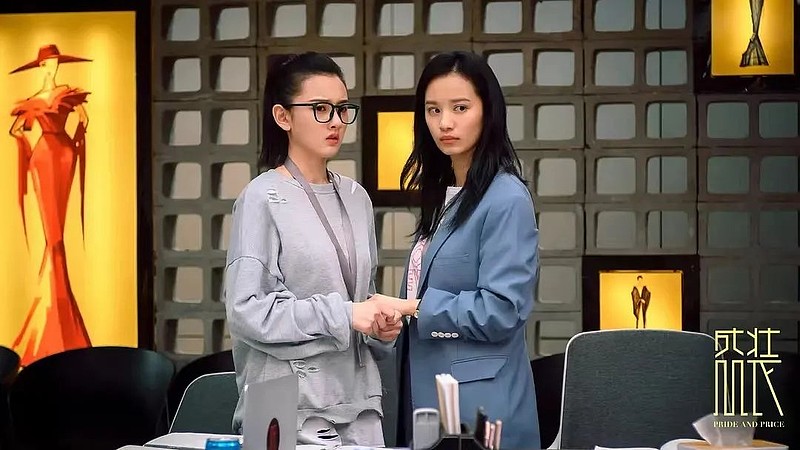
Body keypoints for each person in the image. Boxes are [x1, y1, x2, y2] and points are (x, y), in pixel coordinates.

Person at [224, 52, 404, 446]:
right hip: (286, 405)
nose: (336, 121)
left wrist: (379, 327)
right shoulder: (261, 198)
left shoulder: (356, 198)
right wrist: (347, 314)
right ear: (283, 117)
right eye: (320, 108)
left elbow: (360, 297)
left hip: (358, 402)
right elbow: (246, 310)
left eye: (342, 108)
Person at [369, 51, 542, 449]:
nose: (444, 122)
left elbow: (502, 310)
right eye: (433, 110)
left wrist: (413, 308)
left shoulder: (506, 198)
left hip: (479, 410)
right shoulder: (446, 195)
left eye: (460, 108)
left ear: (488, 112)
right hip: (426, 396)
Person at [9, 44, 92, 367]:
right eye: (47, 63)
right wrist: (25, 142)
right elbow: (16, 129)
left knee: (56, 235)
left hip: (62, 154)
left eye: (55, 62)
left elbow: (84, 119)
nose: (51, 67)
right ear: (40, 66)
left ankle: (55, 317)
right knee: (52, 235)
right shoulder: (34, 99)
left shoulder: (66, 93)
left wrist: (75, 140)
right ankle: (54, 319)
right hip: (43, 156)